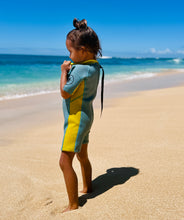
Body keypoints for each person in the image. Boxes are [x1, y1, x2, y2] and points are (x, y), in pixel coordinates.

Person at [59, 18, 103, 212]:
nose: (69, 55)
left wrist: (63, 72)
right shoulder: (95, 67)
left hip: (76, 120)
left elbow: (65, 92)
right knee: (82, 156)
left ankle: (74, 204)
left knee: (64, 161)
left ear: (83, 50)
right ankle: (88, 187)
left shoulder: (79, 69)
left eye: (71, 51)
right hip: (87, 116)